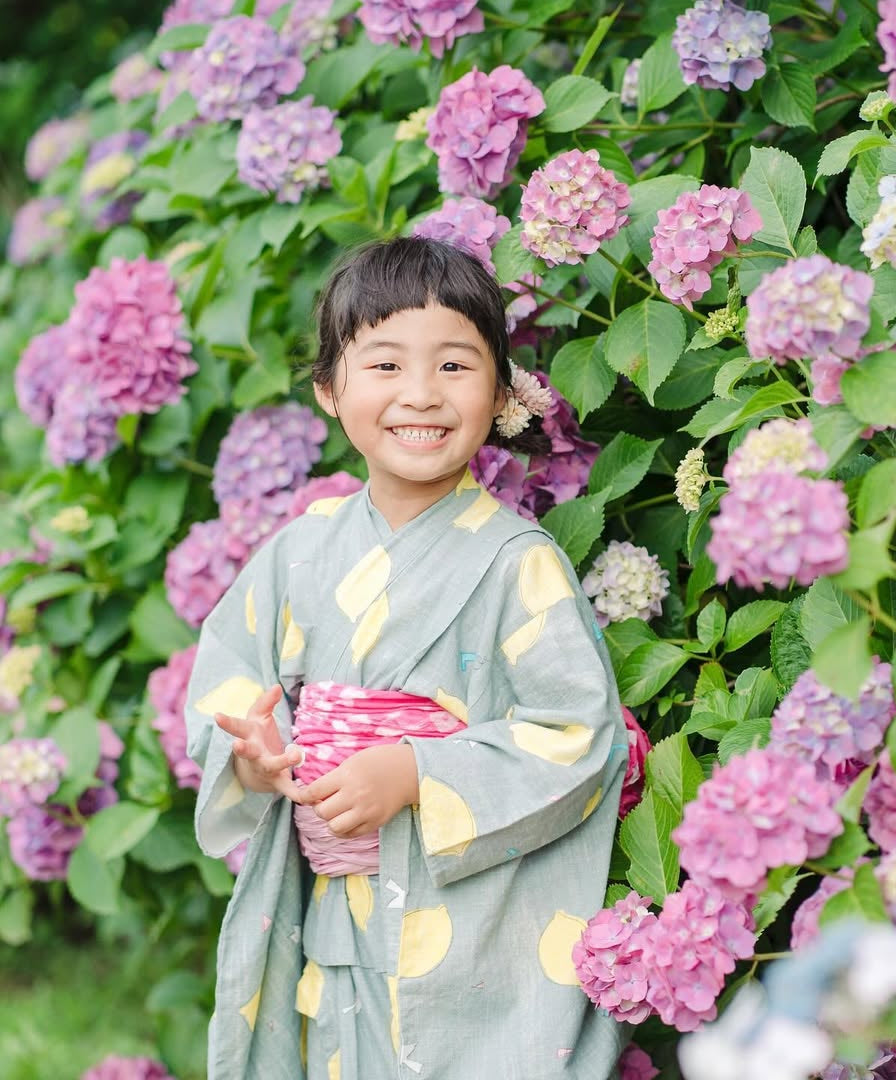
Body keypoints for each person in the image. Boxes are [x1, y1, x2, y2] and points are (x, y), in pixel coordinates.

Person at [184, 237, 628, 1080]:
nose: (420, 394)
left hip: (467, 927)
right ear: (328, 389)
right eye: (384, 365)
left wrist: (418, 773)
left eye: (455, 366)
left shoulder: (515, 560)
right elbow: (230, 687)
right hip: (336, 918)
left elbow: (580, 733)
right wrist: (255, 761)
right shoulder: (300, 551)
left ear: (500, 392)